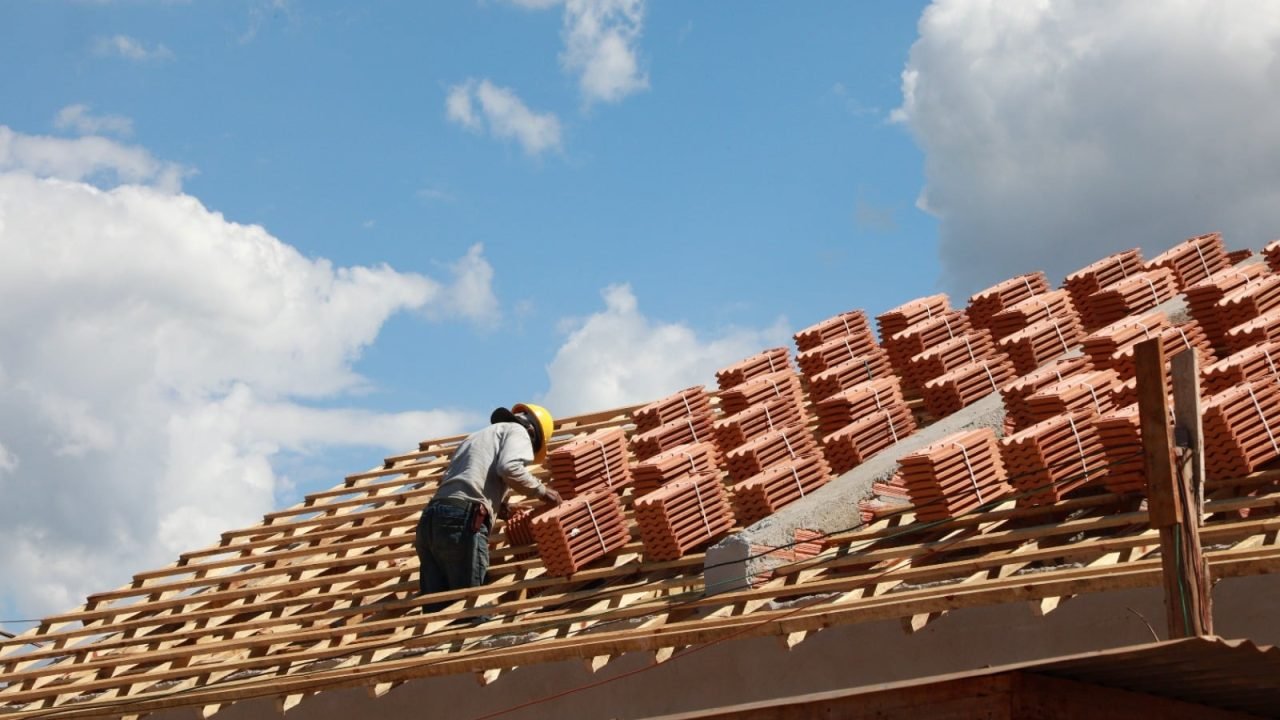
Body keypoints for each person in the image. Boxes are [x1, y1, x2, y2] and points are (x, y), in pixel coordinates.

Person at [415, 402, 563, 611]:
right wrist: (542, 491)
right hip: (461, 520)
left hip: (431, 520)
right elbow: (509, 467)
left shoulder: (475, 437)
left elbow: (462, 479)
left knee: (436, 612)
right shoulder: (518, 431)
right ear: (532, 432)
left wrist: (499, 505)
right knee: (471, 607)